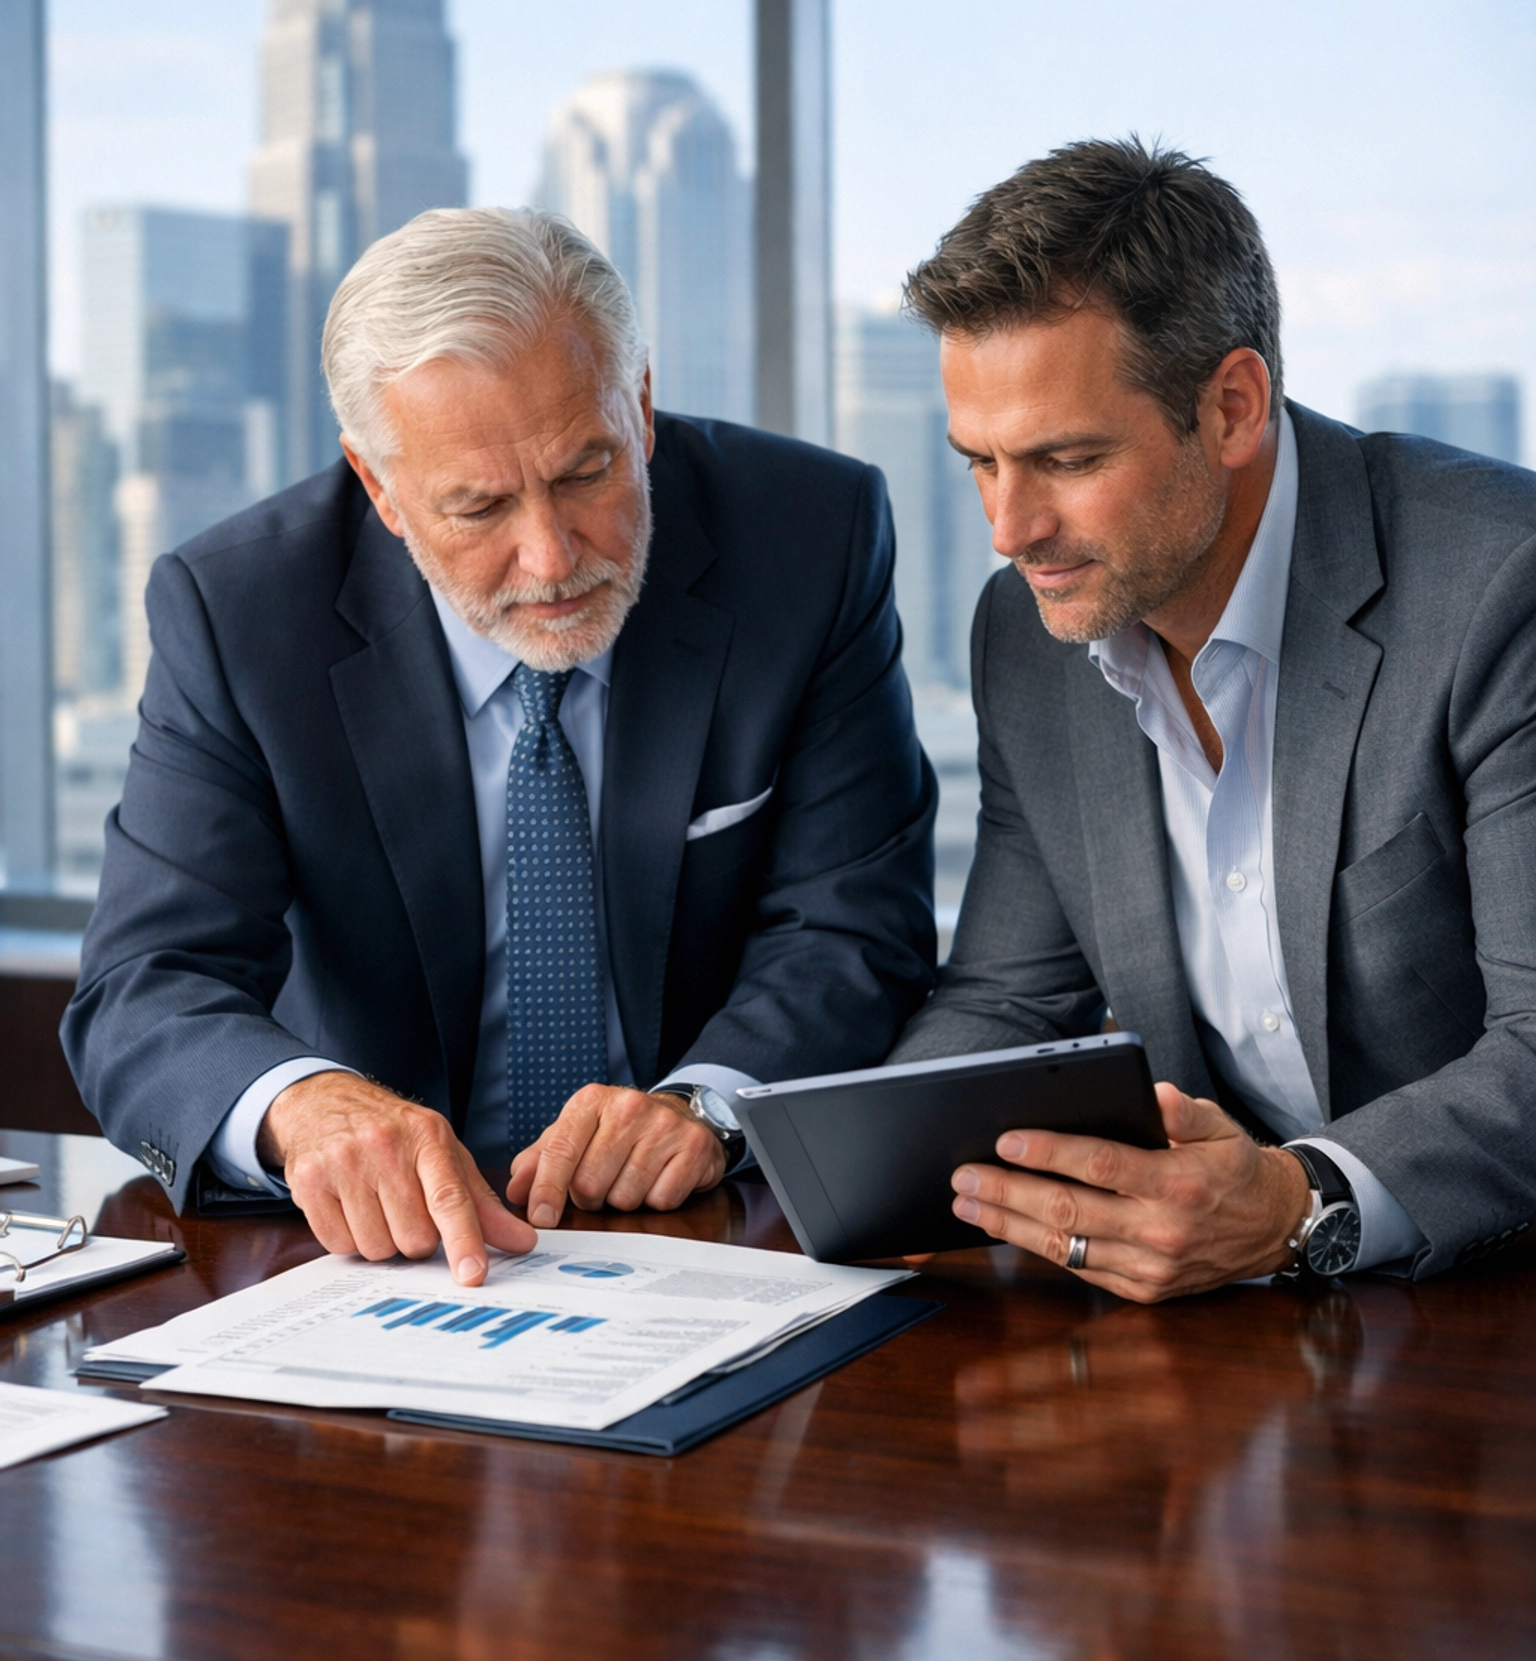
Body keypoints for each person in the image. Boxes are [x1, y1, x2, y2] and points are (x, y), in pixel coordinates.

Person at [65, 208, 936, 1282]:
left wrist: (710, 1102)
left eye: (586, 472)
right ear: (380, 486)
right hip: (391, 1263)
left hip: (706, 1235)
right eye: (478, 506)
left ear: (643, 407)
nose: (552, 554)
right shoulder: (240, 610)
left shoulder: (809, 533)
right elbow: (145, 987)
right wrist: (304, 1110)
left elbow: (855, 929)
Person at [893, 137, 1536, 1298]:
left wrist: (1302, 1203)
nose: (1009, 527)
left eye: (1067, 458)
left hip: (1487, 1291)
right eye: (978, 463)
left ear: (1233, 406)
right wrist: (877, 1174)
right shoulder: (1029, 634)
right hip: (1232, 1326)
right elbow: (1008, 995)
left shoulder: (1499, 584)